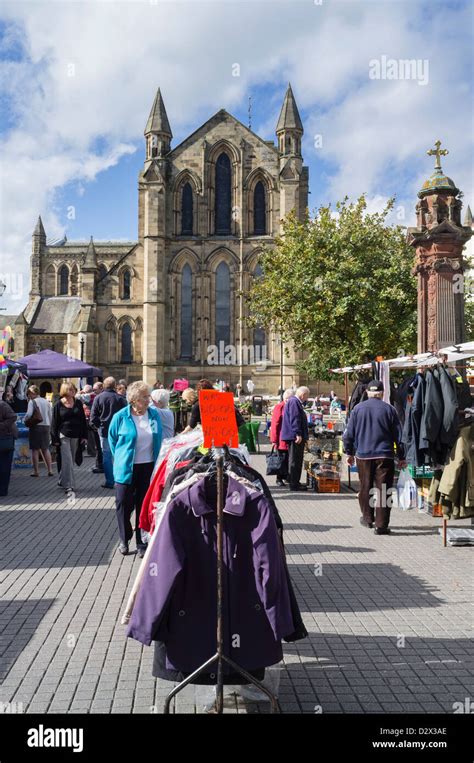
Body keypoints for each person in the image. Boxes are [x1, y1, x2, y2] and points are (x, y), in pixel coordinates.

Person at [343, 380, 406, 535]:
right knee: (384, 490)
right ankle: (381, 525)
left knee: (365, 487)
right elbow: (399, 436)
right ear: (382, 393)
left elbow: (348, 434)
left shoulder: (358, 409)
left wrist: (349, 453)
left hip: (363, 455)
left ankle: (367, 518)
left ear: (367, 393)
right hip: (384, 455)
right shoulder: (389, 410)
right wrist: (402, 456)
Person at [108, 381, 163, 557]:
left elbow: (159, 438)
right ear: (134, 399)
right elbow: (112, 440)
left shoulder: (154, 415)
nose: (149, 400)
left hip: (148, 467)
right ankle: (124, 539)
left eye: (149, 396)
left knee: (143, 505)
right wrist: (120, 460)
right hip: (126, 467)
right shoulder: (121, 417)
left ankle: (141, 541)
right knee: (123, 503)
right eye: (145, 397)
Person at [51, 383, 88, 495]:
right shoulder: (58, 404)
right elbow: (54, 423)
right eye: (70, 390)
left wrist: (84, 436)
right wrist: (55, 439)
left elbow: (83, 420)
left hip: (76, 435)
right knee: (67, 460)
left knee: (70, 460)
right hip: (63, 435)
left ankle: (62, 481)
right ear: (65, 391)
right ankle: (69, 485)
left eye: (73, 390)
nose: (72, 392)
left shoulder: (77, 403)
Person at [90, 377, 127, 489]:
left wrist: (98, 426)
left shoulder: (98, 398)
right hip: (119, 431)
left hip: (104, 431)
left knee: (106, 456)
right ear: (115, 385)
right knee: (119, 455)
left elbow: (93, 417)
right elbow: (127, 415)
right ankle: (120, 480)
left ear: (104, 386)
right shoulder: (120, 398)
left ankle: (110, 481)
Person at [280, 385, 310, 491]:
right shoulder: (294, 402)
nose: (306, 399)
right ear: (303, 395)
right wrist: (298, 433)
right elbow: (295, 418)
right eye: (307, 396)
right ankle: (294, 484)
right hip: (294, 437)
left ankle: (295, 482)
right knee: (295, 460)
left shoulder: (294, 402)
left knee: (296, 459)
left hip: (294, 436)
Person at [25, 385, 53, 477]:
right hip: (46, 426)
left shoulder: (32, 402)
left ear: (33, 393)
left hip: (36, 426)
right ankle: (50, 470)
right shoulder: (46, 401)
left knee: (35, 449)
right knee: (45, 448)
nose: (29, 396)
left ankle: (36, 471)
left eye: (29, 393)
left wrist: (25, 420)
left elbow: (29, 414)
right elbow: (50, 415)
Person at [270, 389, 295, 487]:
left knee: (288, 459)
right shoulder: (280, 407)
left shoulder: (290, 406)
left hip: (289, 438)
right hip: (281, 439)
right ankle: (279, 478)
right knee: (281, 459)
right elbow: (275, 424)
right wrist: (274, 440)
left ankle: (287, 477)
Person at [0, 399, 18, 496]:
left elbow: (13, 417)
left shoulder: (2, 405)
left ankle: (3, 490)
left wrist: (2, 425)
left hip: (5, 438)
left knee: (4, 467)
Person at [77, 384, 96, 458]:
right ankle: (91, 451)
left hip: (88, 418)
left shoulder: (90, 395)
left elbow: (77, 396)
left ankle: (91, 452)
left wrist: (80, 392)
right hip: (89, 417)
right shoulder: (93, 396)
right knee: (90, 436)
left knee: (89, 436)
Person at [90, 382, 104, 474]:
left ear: (101, 388)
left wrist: (96, 425)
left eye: (95, 390)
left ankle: (100, 465)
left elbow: (94, 415)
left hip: (101, 427)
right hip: (101, 427)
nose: (94, 392)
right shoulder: (95, 397)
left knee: (100, 447)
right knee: (99, 447)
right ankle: (99, 464)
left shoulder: (98, 398)